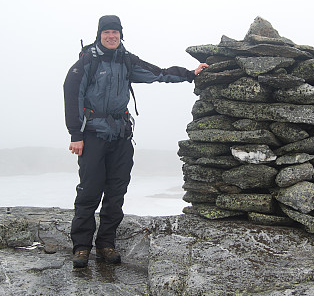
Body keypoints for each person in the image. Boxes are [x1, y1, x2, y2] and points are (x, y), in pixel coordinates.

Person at [63, 15, 208, 268]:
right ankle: (82, 247)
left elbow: (158, 73)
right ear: (99, 35)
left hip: (121, 136)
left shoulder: (126, 61)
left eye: (115, 33)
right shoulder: (87, 61)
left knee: (116, 191)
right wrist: (76, 135)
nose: (111, 36)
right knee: (89, 191)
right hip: (93, 136)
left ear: (121, 35)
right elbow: (71, 94)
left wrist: (189, 74)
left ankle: (106, 244)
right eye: (106, 32)